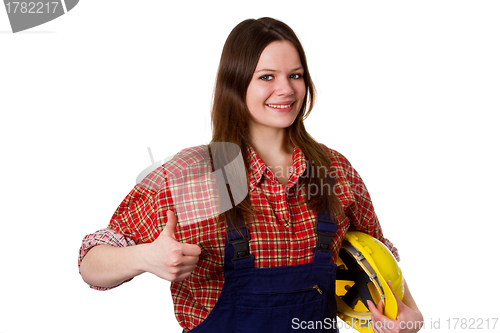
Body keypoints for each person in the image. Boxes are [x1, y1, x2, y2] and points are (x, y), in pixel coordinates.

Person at [79, 17, 423, 332]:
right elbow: (91, 263)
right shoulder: (191, 175)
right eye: (267, 77)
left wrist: (409, 319)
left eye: (296, 75)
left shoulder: (336, 171)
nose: (286, 90)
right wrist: (143, 258)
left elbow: (377, 259)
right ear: (236, 83)